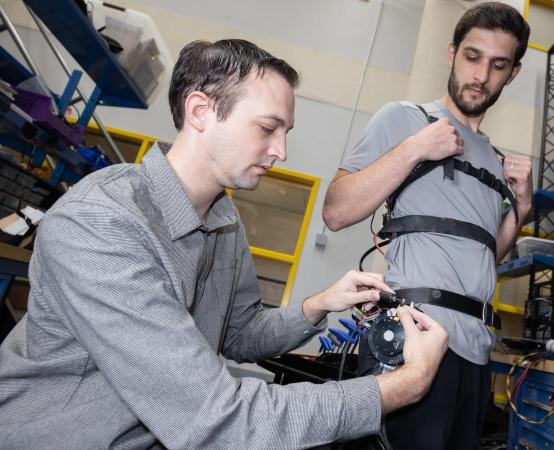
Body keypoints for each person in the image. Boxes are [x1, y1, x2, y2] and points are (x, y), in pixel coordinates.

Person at [0, 39, 448, 449]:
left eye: (286, 132)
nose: (281, 151)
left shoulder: (223, 218)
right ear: (200, 111)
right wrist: (405, 385)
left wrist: (319, 304)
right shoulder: (101, 224)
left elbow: (237, 334)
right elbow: (217, 419)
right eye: (268, 128)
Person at [323, 3, 533, 448]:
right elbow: (337, 211)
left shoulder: (495, 161)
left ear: (512, 74)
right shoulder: (405, 119)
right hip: (413, 340)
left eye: (498, 65)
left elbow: (481, 260)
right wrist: (416, 148)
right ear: (452, 53)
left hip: (475, 352)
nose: (481, 75)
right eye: (472, 57)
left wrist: (521, 210)